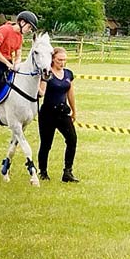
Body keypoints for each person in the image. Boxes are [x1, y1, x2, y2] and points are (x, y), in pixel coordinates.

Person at [0, 10, 38, 121]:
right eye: (29, 27)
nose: (29, 30)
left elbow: (18, 54)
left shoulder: (19, 36)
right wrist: (7, 63)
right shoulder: (4, 30)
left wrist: (17, 63)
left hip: (8, 63)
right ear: (22, 22)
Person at [37, 47, 79, 182]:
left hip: (63, 113)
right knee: (46, 144)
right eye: (59, 60)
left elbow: (70, 93)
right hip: (48, 114)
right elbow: (41, 92)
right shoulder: (47, 73)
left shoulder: (68, 74)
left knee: (72, 140)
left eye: (64, 60)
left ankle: (68, 172)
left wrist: (74, 110)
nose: (62, 62)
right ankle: (43, 172)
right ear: (53, 59)